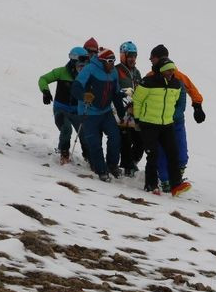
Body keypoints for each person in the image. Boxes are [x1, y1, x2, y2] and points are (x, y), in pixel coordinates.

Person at [147, 44, 205, 189]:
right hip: (159, 121)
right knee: (162, 151)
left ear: (160, 57)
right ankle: (165, 179)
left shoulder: (178, 76)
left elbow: (192, 90)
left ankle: (177, 174)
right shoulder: (151, 76)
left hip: (177, 121)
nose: (150, 60)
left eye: (152, 58)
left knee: (180, 152)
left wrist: (197, 106)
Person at [134, 56, 191, 197]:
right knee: (153, 154)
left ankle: (176, 184)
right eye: (167, 70)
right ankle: (151, 185)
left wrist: (170, 116)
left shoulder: (176, 84)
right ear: (160, 71)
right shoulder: (148, 82)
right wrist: (137, 119)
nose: (171, 73)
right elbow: (137, 100)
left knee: (173, 153)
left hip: (167, 124)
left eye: (172, 70)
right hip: (149, 124)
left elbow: (175, 101)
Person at [74, 47, 126, 181]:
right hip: (88, 112)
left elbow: (116, 94)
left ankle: (112, 165)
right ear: (102, 61)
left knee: (115, 137)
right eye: (110, 61)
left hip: (105, 112)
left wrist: (122, 114)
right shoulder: (90, 69)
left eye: (114, 61)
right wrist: (84, 96)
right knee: (95, 143)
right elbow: (76, 87)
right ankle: (101, 170)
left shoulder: (113, 72)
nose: (112, 64)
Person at [38, 47, 91, 164]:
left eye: (86, 62)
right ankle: (64, 152)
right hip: (60, 109)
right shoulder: (61, 72)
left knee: (85, 133)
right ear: (73, 61)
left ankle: (89, 156)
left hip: (77, 111)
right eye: (80, 62)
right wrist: (45, 91)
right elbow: (43, 79)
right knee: (66, 129)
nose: (83, 66)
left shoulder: (86, 75)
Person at [115, 41, 145, 177]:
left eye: (134, 56)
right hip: (120, 110)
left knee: (140, 140)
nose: (133, 59)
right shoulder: (117, 70)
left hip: (135, 111)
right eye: (130, 56)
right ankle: (127, 165)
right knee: (125, 139)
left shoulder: (136, 72)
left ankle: (131, 162)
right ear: (123, 56)